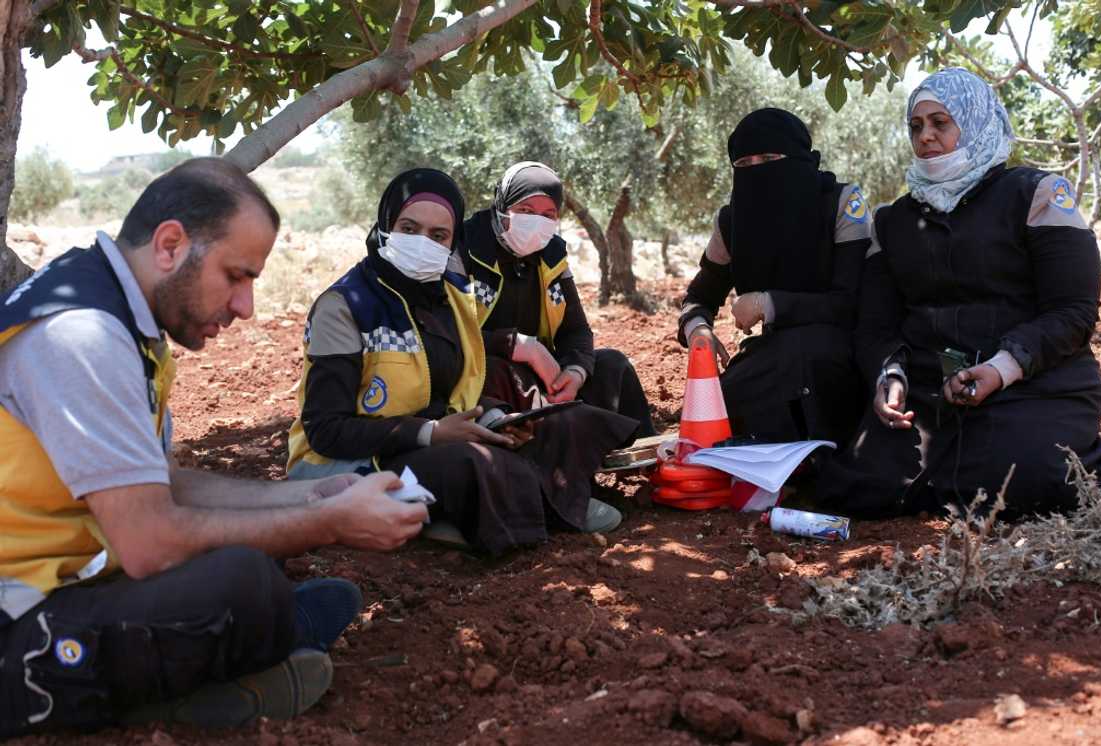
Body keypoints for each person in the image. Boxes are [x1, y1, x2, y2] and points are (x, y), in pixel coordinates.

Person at [0, 159, 430, 738]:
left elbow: (161, 482)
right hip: (15, 625)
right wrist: (330, 522)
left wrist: (309, 498)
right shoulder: (83, 336)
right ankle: (173, 698)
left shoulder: (118, 318)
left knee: (250, 563)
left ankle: (239, 651)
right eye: (236, 275)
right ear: (171, 245)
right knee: (242, 582)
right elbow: (150, 543)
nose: (246, 306)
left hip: (62, 581)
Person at [287, 168, 638, 554]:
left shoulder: (451, 297)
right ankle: (547, 511)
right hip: (352, 460)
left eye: (439, 236)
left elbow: (459, 389)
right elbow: (326, 431)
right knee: (468, 463)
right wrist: (431, 433)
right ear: (385, 225)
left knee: (550, 425)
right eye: (408, 227)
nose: (423, 242)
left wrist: (492, 419)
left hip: (426, 438)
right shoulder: (345, 306)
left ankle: (505, 506)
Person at [818, 67, 1101, 517]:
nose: (926, 137)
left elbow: (1072, 312)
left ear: (974, 121)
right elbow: (876, 324)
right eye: (916, 126)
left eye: (941, 123)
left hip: (1034, 383)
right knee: (857, 488)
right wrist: (890, 377)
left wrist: (1001, 368)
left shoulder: (1036, 194)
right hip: (929, 391)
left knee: (1027, 481)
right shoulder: (892, 221)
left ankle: (1092, 455)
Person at [677, 108, 871, 447]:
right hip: (772, 351)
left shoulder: (840, 203)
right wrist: (698, 329)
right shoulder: (731, 223)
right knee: (721, 407)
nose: (758, 170)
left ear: (798, 158)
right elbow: (700, 295)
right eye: (745, 164)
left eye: (769, 157)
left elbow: (850, 302)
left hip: (840, 349)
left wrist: (769, 303)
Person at [462, 161, 657, 437]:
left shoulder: (552, 255)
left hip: (545, 374)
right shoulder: (466, 246)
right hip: (485, 374)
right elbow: (447, 333)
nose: (535, 223)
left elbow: (576, 329)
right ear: (502, 206)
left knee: (613, 364)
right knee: (498, 373)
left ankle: (642, 456)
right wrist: (519, 346)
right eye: (525, 211)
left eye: (547, 214)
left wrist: (575, 372)